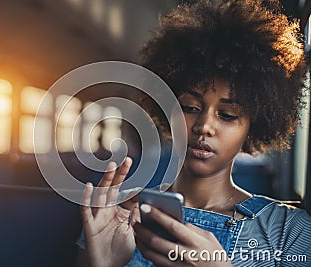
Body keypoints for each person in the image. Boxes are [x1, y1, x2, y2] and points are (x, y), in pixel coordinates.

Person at [76, 0, 311, 266]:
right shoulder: (117, 218)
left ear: (253, 125)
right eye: (190, 107)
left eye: (228, 115)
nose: (204, 126)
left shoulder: (290, 232)